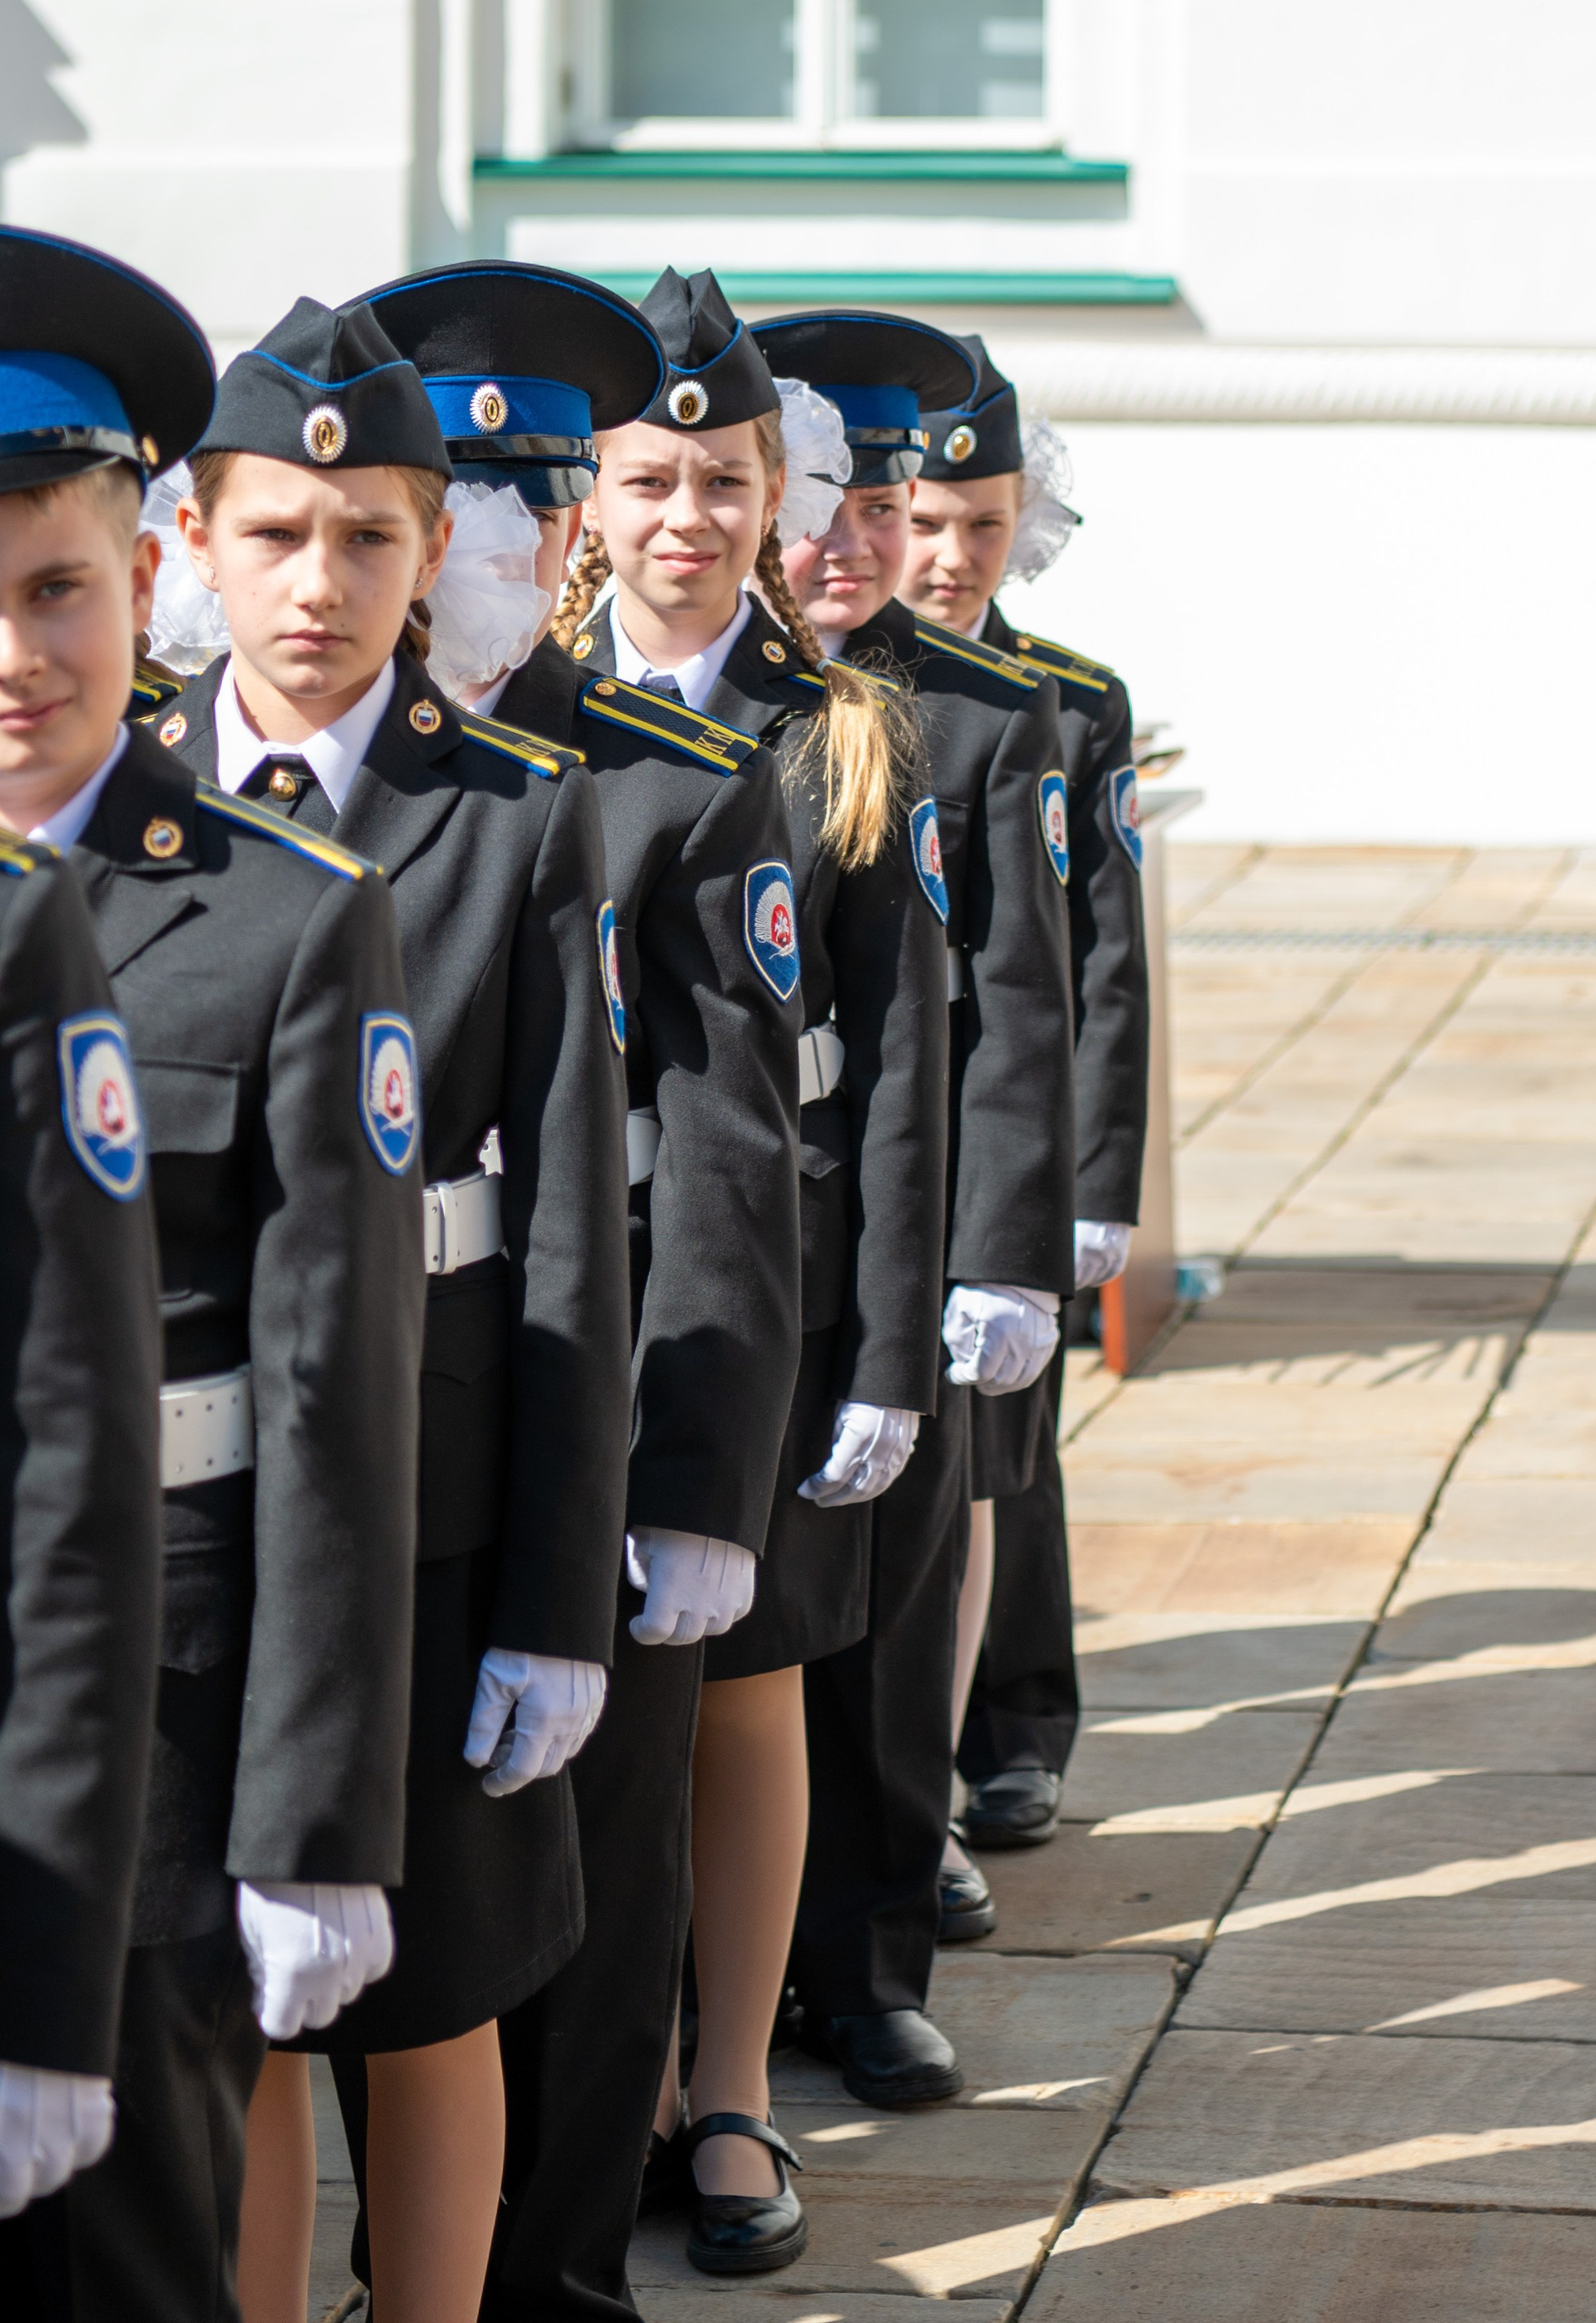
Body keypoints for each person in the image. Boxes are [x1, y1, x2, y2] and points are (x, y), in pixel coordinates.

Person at [0, 228, 425, 2323]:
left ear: (141, 578)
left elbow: (340, 1381)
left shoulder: (286, 913)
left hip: (156, 1698)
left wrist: (315, 1806)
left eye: (54, 585)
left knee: (131, 2254)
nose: (6, 651)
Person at [156, 295, 630, 2323]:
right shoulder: (109, 814)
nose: (322, 581)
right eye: (278, 534)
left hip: (435, 1506)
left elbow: (581, 1251)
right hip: (198, 1523)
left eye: (371, 536)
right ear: (195, 539)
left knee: (428, 1996)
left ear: (440, 548)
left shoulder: (513, 823)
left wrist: (551, 1600)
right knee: (224, 2001)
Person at [360, 261, 810, 2310]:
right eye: (421, 503)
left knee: (597, 1876)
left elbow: (728, 1154)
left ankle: (553, 2273)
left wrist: (707, 1479)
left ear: (553, 535)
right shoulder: (282, 777)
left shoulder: (665, 779)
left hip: (592, 1401)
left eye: (500, 509)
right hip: (360, 1427)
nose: (457, 550)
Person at [586, 272, 955, 2258]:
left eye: (721, 479)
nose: (688, 517)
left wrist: (892, 1343)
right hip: (577, 1289)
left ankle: (729, 2091)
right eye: (648, 478)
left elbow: (902, 1070)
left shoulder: (843, 733)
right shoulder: (520, 714)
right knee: (590, 1711)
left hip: (773, 1297)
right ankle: (615, 2075)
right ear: (587, 498)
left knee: (744, 1692)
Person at [748, 305, 1074, 2112]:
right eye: (830, 499)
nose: (860, 537)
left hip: (915, 1223)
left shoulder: (984, 715)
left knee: (887, 1611)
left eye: (886, 500)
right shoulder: (698, 707)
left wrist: (1005, 1252)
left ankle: (865, 1963)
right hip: (747, 1224)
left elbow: (1018, 1005)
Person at [899, 338, 1149, 1888]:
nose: (946, 555)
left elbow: (1103, 968)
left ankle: (1015, 1733)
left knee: (1012, 1454)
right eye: (924, 519)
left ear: (1022, 528)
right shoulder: (838, 686)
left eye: (980, 526)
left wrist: (1095, 1179)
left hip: (1016, 1137)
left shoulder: (1070, 701)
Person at [0, 486, 164, 2272]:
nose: (6, 658)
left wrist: (34, 1993)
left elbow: (71, 1471)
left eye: (52, 591)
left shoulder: (1, 933)